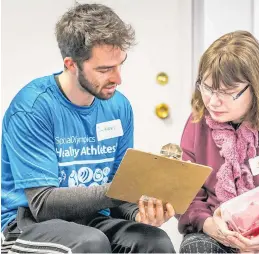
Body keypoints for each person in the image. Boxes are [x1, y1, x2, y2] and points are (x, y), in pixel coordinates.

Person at [1, 3, 176, 253]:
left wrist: (139, 212)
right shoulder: (32, 108)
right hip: (29, 224)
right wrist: (124, 189)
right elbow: (42, 203)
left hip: (92, 221)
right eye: (105, 69)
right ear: (71, 65)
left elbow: (115, 197)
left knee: (154, 240)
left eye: (119, 65)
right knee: (91, 243)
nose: (118, 79)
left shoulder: (119, 107)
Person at [178, 30, 259, 253]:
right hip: (220, 232)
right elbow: (188, 196)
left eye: (228, 92)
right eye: (207, 88)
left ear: (257, 86)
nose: (213, 102)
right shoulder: (199, 118)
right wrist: (209, 224)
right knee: (197, 247)